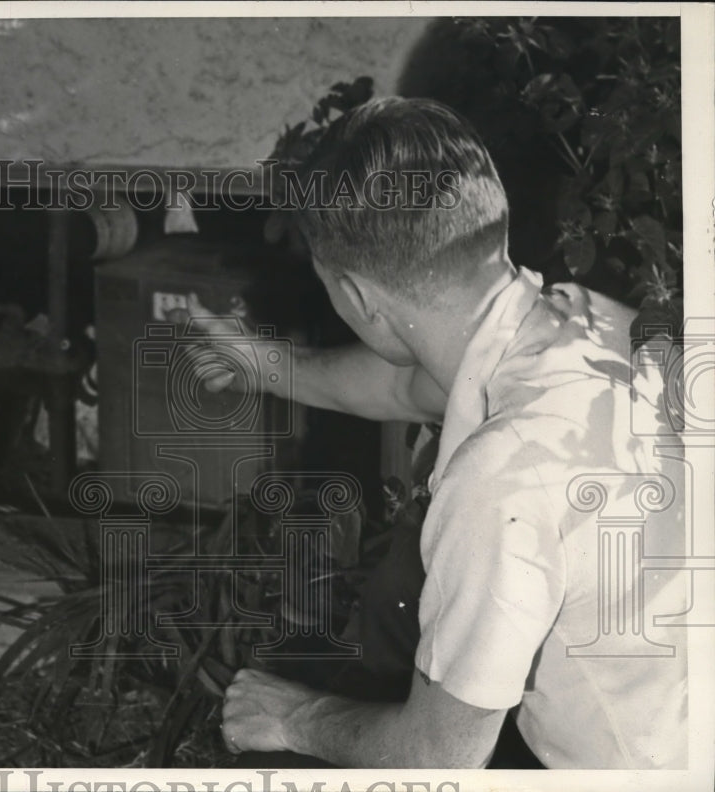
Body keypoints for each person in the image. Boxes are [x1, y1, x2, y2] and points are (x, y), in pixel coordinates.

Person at [187, 97, 687, 769]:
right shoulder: (593, 322)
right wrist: (261, 364)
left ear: (359, 299)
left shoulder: (502, 476)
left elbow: (438, 757)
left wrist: (292, 716)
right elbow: (403, 384)